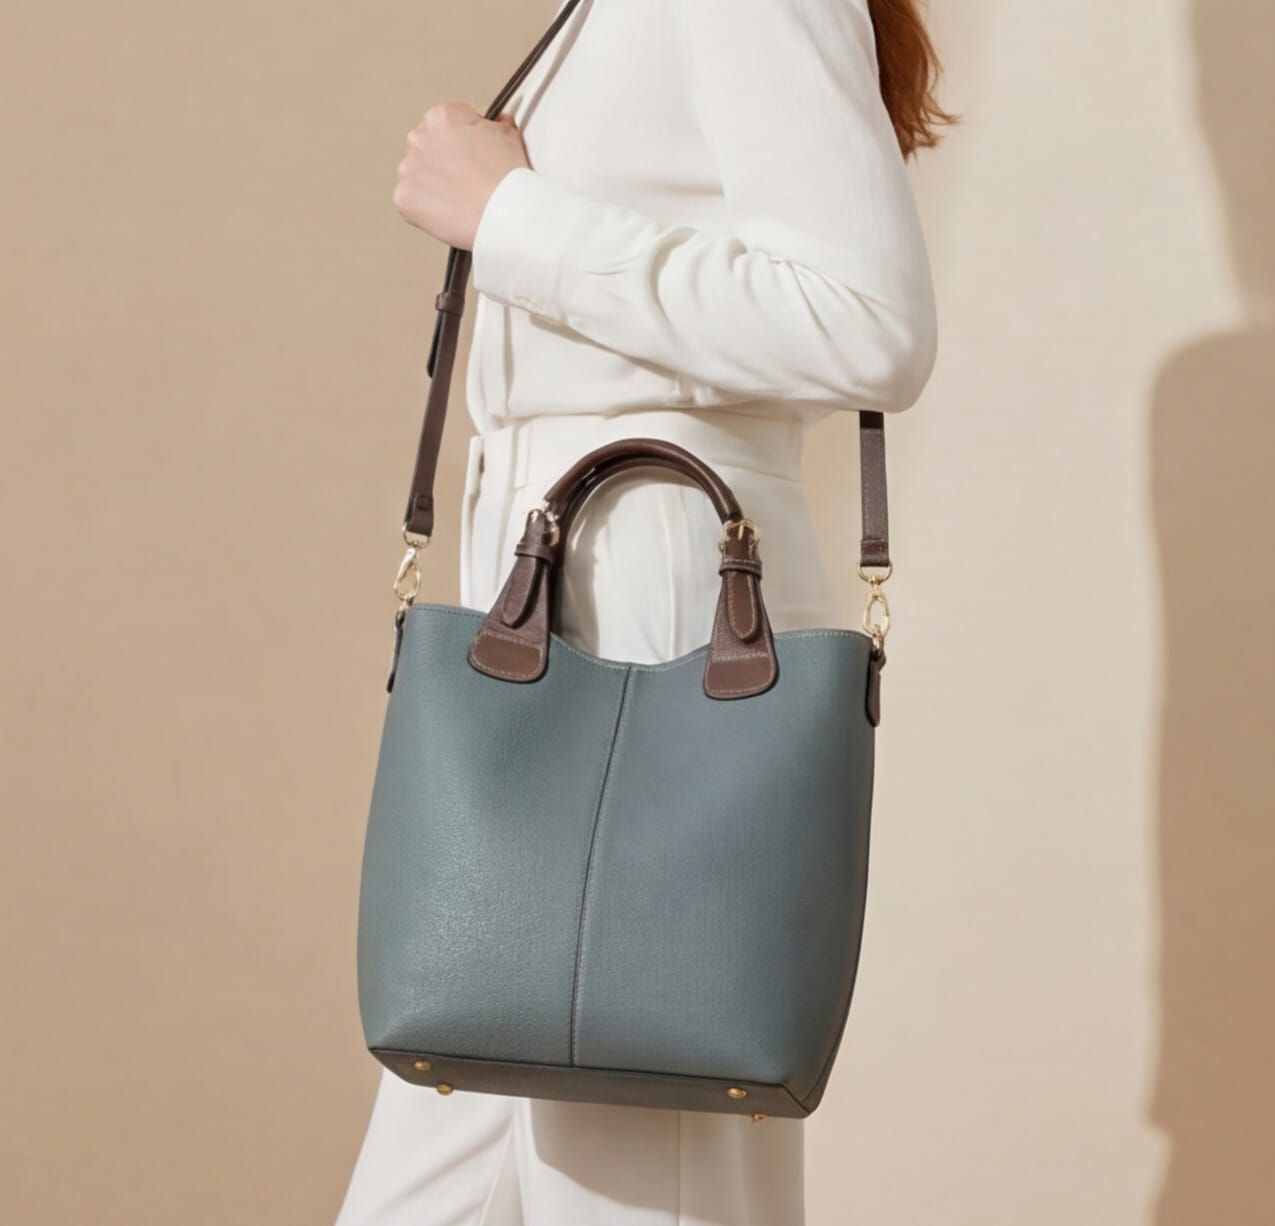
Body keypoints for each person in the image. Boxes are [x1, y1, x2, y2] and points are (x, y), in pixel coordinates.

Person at [336, 0, 952, 1221]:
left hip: (663, 590)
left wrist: (511, 215)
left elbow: (869, 322)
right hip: (559, 574)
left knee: (644, 1159)